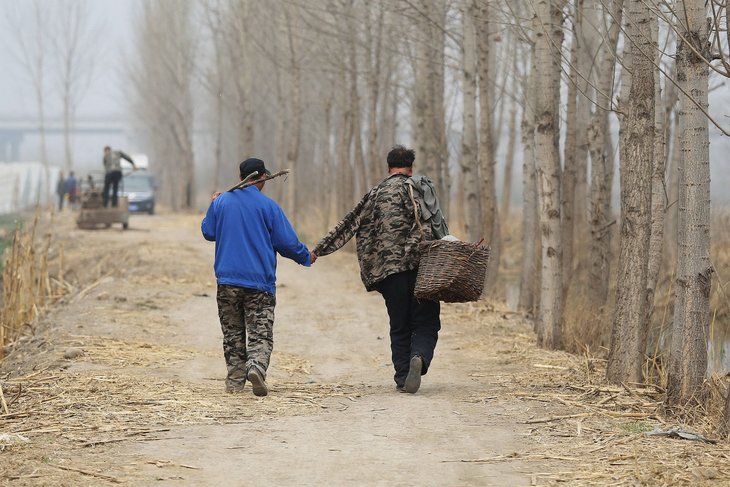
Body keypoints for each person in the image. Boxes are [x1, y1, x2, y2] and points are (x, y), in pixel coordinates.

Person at [312, 145, 443, 394]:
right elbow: (436, 224)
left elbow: (348, 224)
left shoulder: (375, 193)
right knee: (426, 321)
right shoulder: (419, 189)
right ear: (411, 167)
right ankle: (420, 357)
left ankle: (404, 377)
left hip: (388, 272)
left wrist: (318, 250)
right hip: (421, 268)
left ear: (388, 167)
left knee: (399, 325)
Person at [201, 158, 314, 396]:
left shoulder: (221, 202)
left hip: (227, 281)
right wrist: (306, 256)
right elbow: (287, 243)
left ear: (240, 176)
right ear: (262, 177)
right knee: (259, 331)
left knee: (232, 334)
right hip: (259, 283)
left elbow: (208, 232)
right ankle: (256, 367)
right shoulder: (268, 207)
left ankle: (234, 382)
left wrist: (213, 205)